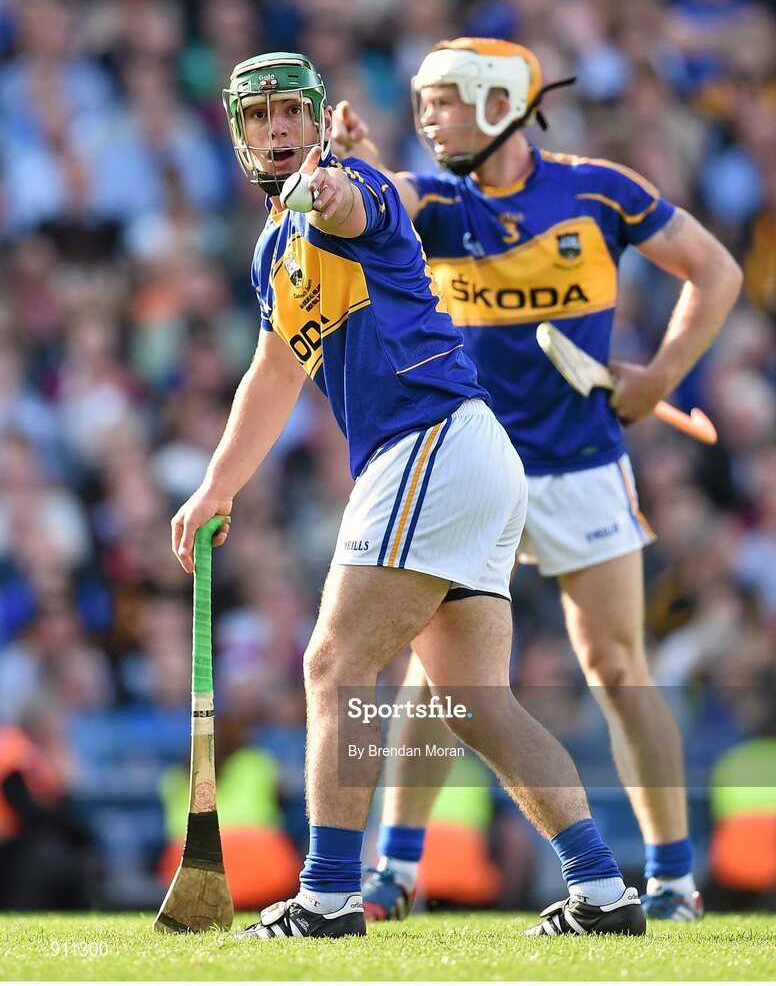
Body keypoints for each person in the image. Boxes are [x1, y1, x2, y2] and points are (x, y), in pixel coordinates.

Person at [171, 50, 647, 939]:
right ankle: (604, 892)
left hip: (429, 442)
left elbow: (353, 201)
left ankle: (326, 896)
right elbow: (272, 374)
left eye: (290, 115)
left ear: (318, 122)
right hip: (464, 458)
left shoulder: (352, 187)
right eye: (259, 119)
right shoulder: (274, 251)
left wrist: (328, 189)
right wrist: (216, 487)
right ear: (239, 135)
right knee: (473, 702)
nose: (278, 132)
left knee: (334, 666)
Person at [330, 37, 742, 923]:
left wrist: (661, 376)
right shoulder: (437, 203)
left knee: (619, 666)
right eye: (422, 100)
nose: (426, 117)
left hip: (584, 466)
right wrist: (359, 169)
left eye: (443, 100)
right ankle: (397, 873)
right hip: (474, 472)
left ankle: (673, 882)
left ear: (496, 104)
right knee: (437, 680)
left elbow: (716, 270)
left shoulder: (599, 191)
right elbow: (387, 200)